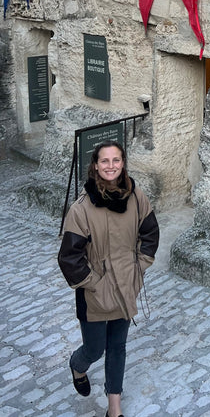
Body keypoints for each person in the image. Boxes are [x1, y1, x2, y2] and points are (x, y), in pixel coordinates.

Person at [58, 141, 159, 417]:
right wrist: (94, 284)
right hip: (94, 292)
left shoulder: (137, 196)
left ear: (123, 163)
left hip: (126, 283)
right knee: (95, 349)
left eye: (116, 160)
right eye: (105, 161)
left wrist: (138, 269)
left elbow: (150, 234)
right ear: (95, 165)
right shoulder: (81, 209)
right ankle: (78, 366)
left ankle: (114, 407)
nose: (111, 166)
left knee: (118, 346)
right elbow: (69, 257)